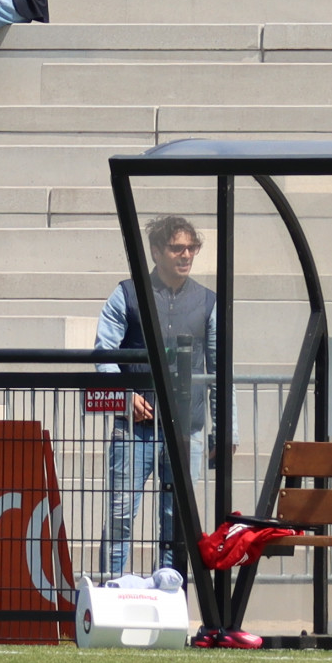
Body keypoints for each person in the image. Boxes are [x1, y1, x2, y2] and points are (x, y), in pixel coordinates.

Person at [95, 215, 216, 580]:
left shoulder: (208, 301)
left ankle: (168, 598)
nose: (186, 254)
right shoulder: (127, 294)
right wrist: (123, 394)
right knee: (119, 516)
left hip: (187, 431)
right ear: (155, 251)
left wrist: (227, 430)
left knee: (175, 524)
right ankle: (110, 592)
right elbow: (104, 352)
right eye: (177, 247)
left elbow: (219, 368)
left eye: (191, 247)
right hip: (135, 430)